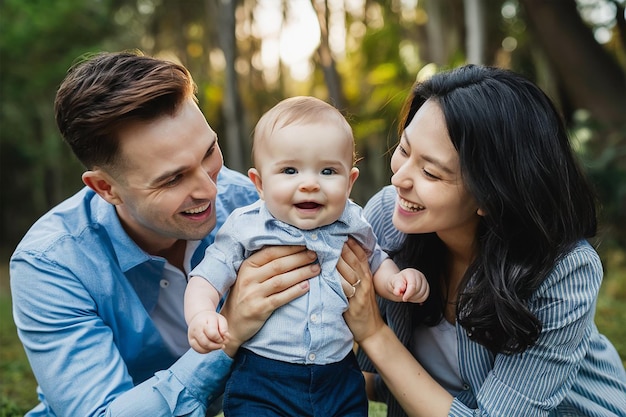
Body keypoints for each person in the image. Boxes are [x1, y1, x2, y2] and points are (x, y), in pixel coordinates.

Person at [9, 50, 321, 417]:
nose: (209, 190)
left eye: (209, 152)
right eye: (172, 179)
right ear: (106, 188)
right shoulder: (51, 264)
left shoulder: (251, 206)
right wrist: (231, 332)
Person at [338, 64, 626, 416]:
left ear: (491, 196)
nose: (400, 178)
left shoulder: (563, 271)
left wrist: (373, 334)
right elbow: (379, 379)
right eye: (404, 148)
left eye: (430, 172)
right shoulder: (387, 216)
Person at [184, 95, 430, 416]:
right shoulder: (247, 226)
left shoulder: (352, 221)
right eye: (290, 170)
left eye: (328, 171)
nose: (310, 184)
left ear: (349, 182)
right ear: (259, 183)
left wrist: (397, 279)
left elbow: (375, 261)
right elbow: (207, 276)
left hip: (339, 375)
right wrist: (202, 315)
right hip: (264, 377)